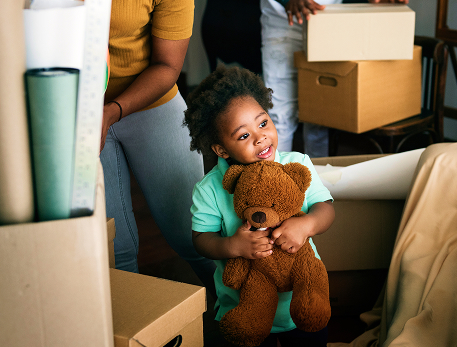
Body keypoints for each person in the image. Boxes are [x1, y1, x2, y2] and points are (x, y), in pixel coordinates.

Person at [183, 65, 336, 346]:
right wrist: (232, 247)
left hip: (301, 298)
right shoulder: (209, 189)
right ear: (221, 150)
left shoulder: (297, 163)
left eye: (263, 123)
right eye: (243, 136)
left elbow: (325, 208)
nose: (260, 137)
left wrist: (307, 224)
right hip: (244, 305)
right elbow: (201, 240)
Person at [100, 0, 216, 297]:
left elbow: (167, 66)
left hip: (150, 99)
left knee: (194, 235)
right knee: (114, 252)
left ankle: (244, 318)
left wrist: (111, 111)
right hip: (73, 109)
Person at [260, 0, 410, 158]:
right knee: (279, 116)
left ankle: (316, 178)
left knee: (319, 115)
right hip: (282, 24)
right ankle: (277, 178)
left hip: (328, 22)